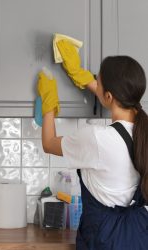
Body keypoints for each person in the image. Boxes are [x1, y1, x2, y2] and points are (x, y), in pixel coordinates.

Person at [37, 40, 148, 249]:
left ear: (108, 96)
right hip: (139, 236)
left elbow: (49, 143)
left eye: (99, 81)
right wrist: (79, 74)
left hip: (104, 240)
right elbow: (113, 97)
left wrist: (48, 101)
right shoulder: (144, 132)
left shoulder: (97, 139)